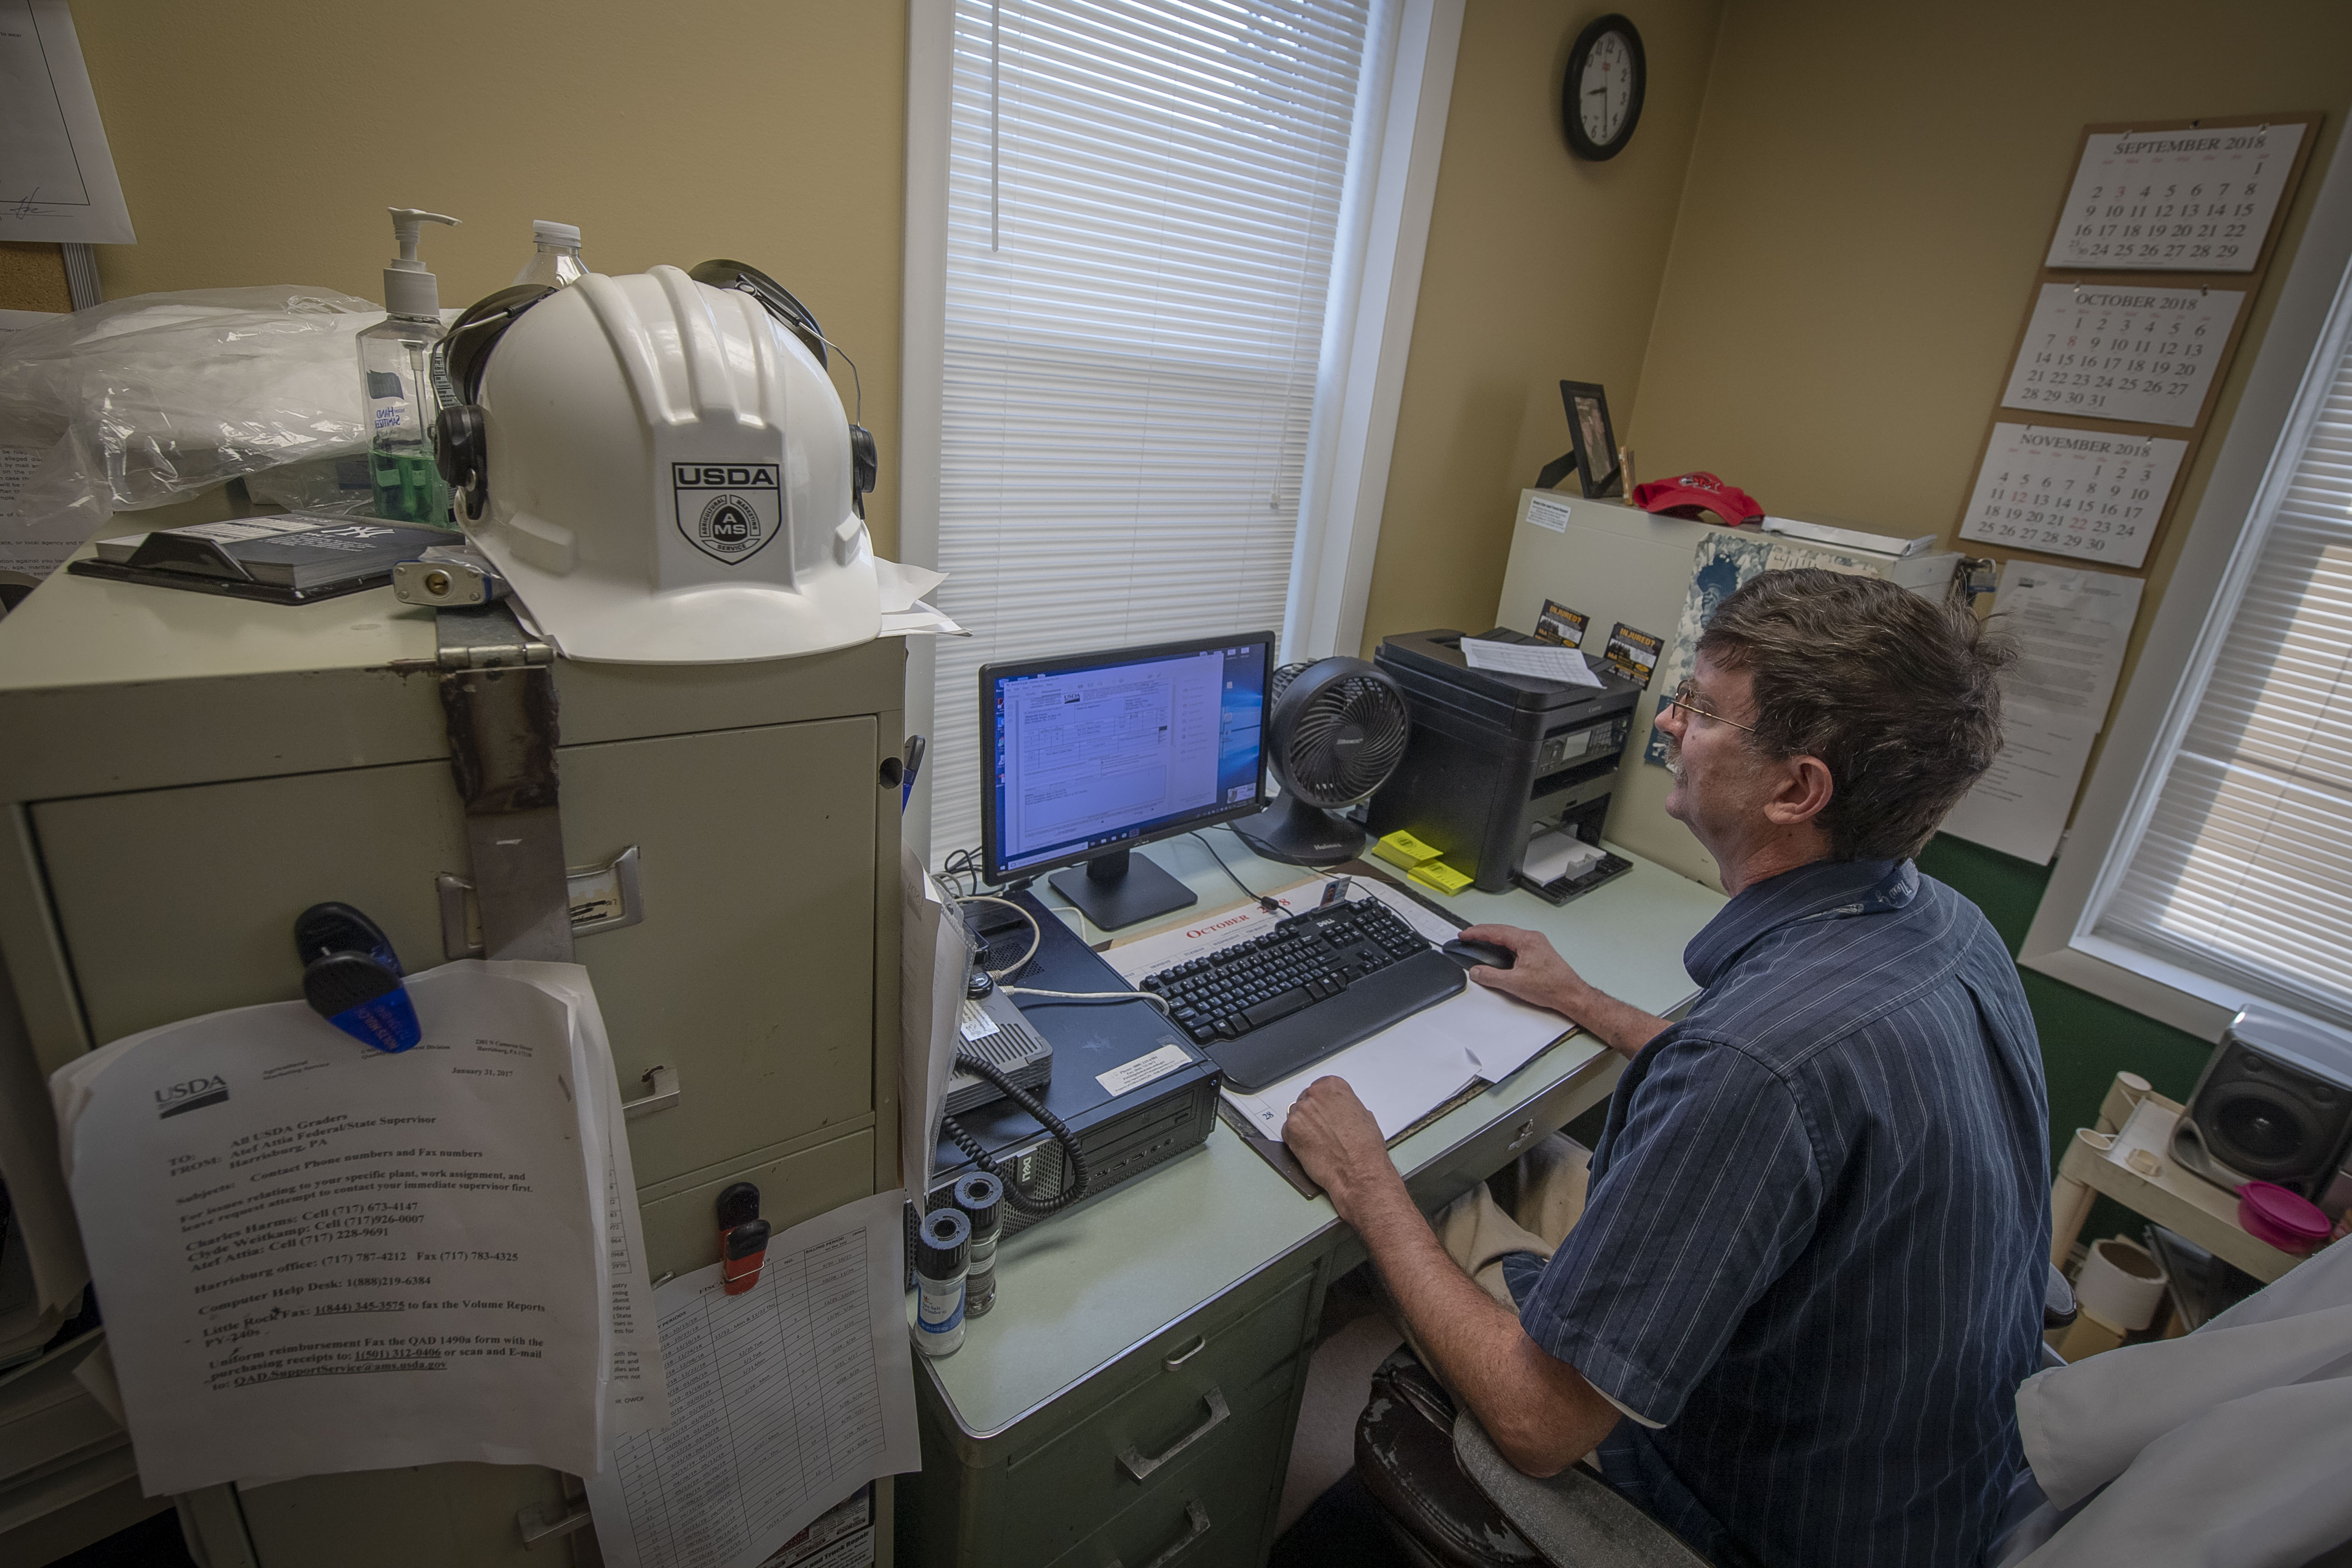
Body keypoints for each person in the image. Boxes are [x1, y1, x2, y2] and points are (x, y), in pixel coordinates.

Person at [1285, 569, 2051, 1568]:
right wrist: (1586, 1003)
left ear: (1796, 789)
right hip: (1930, 1477)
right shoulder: (1948, 927)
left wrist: (1365, 1182)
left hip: (1769, 1517)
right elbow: (1800, 1100)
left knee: (1444, 1190)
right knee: (1533, 1162)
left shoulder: (1757, 1069)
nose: (1671, 728)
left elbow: (1536, 1422)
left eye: (1703, 711)